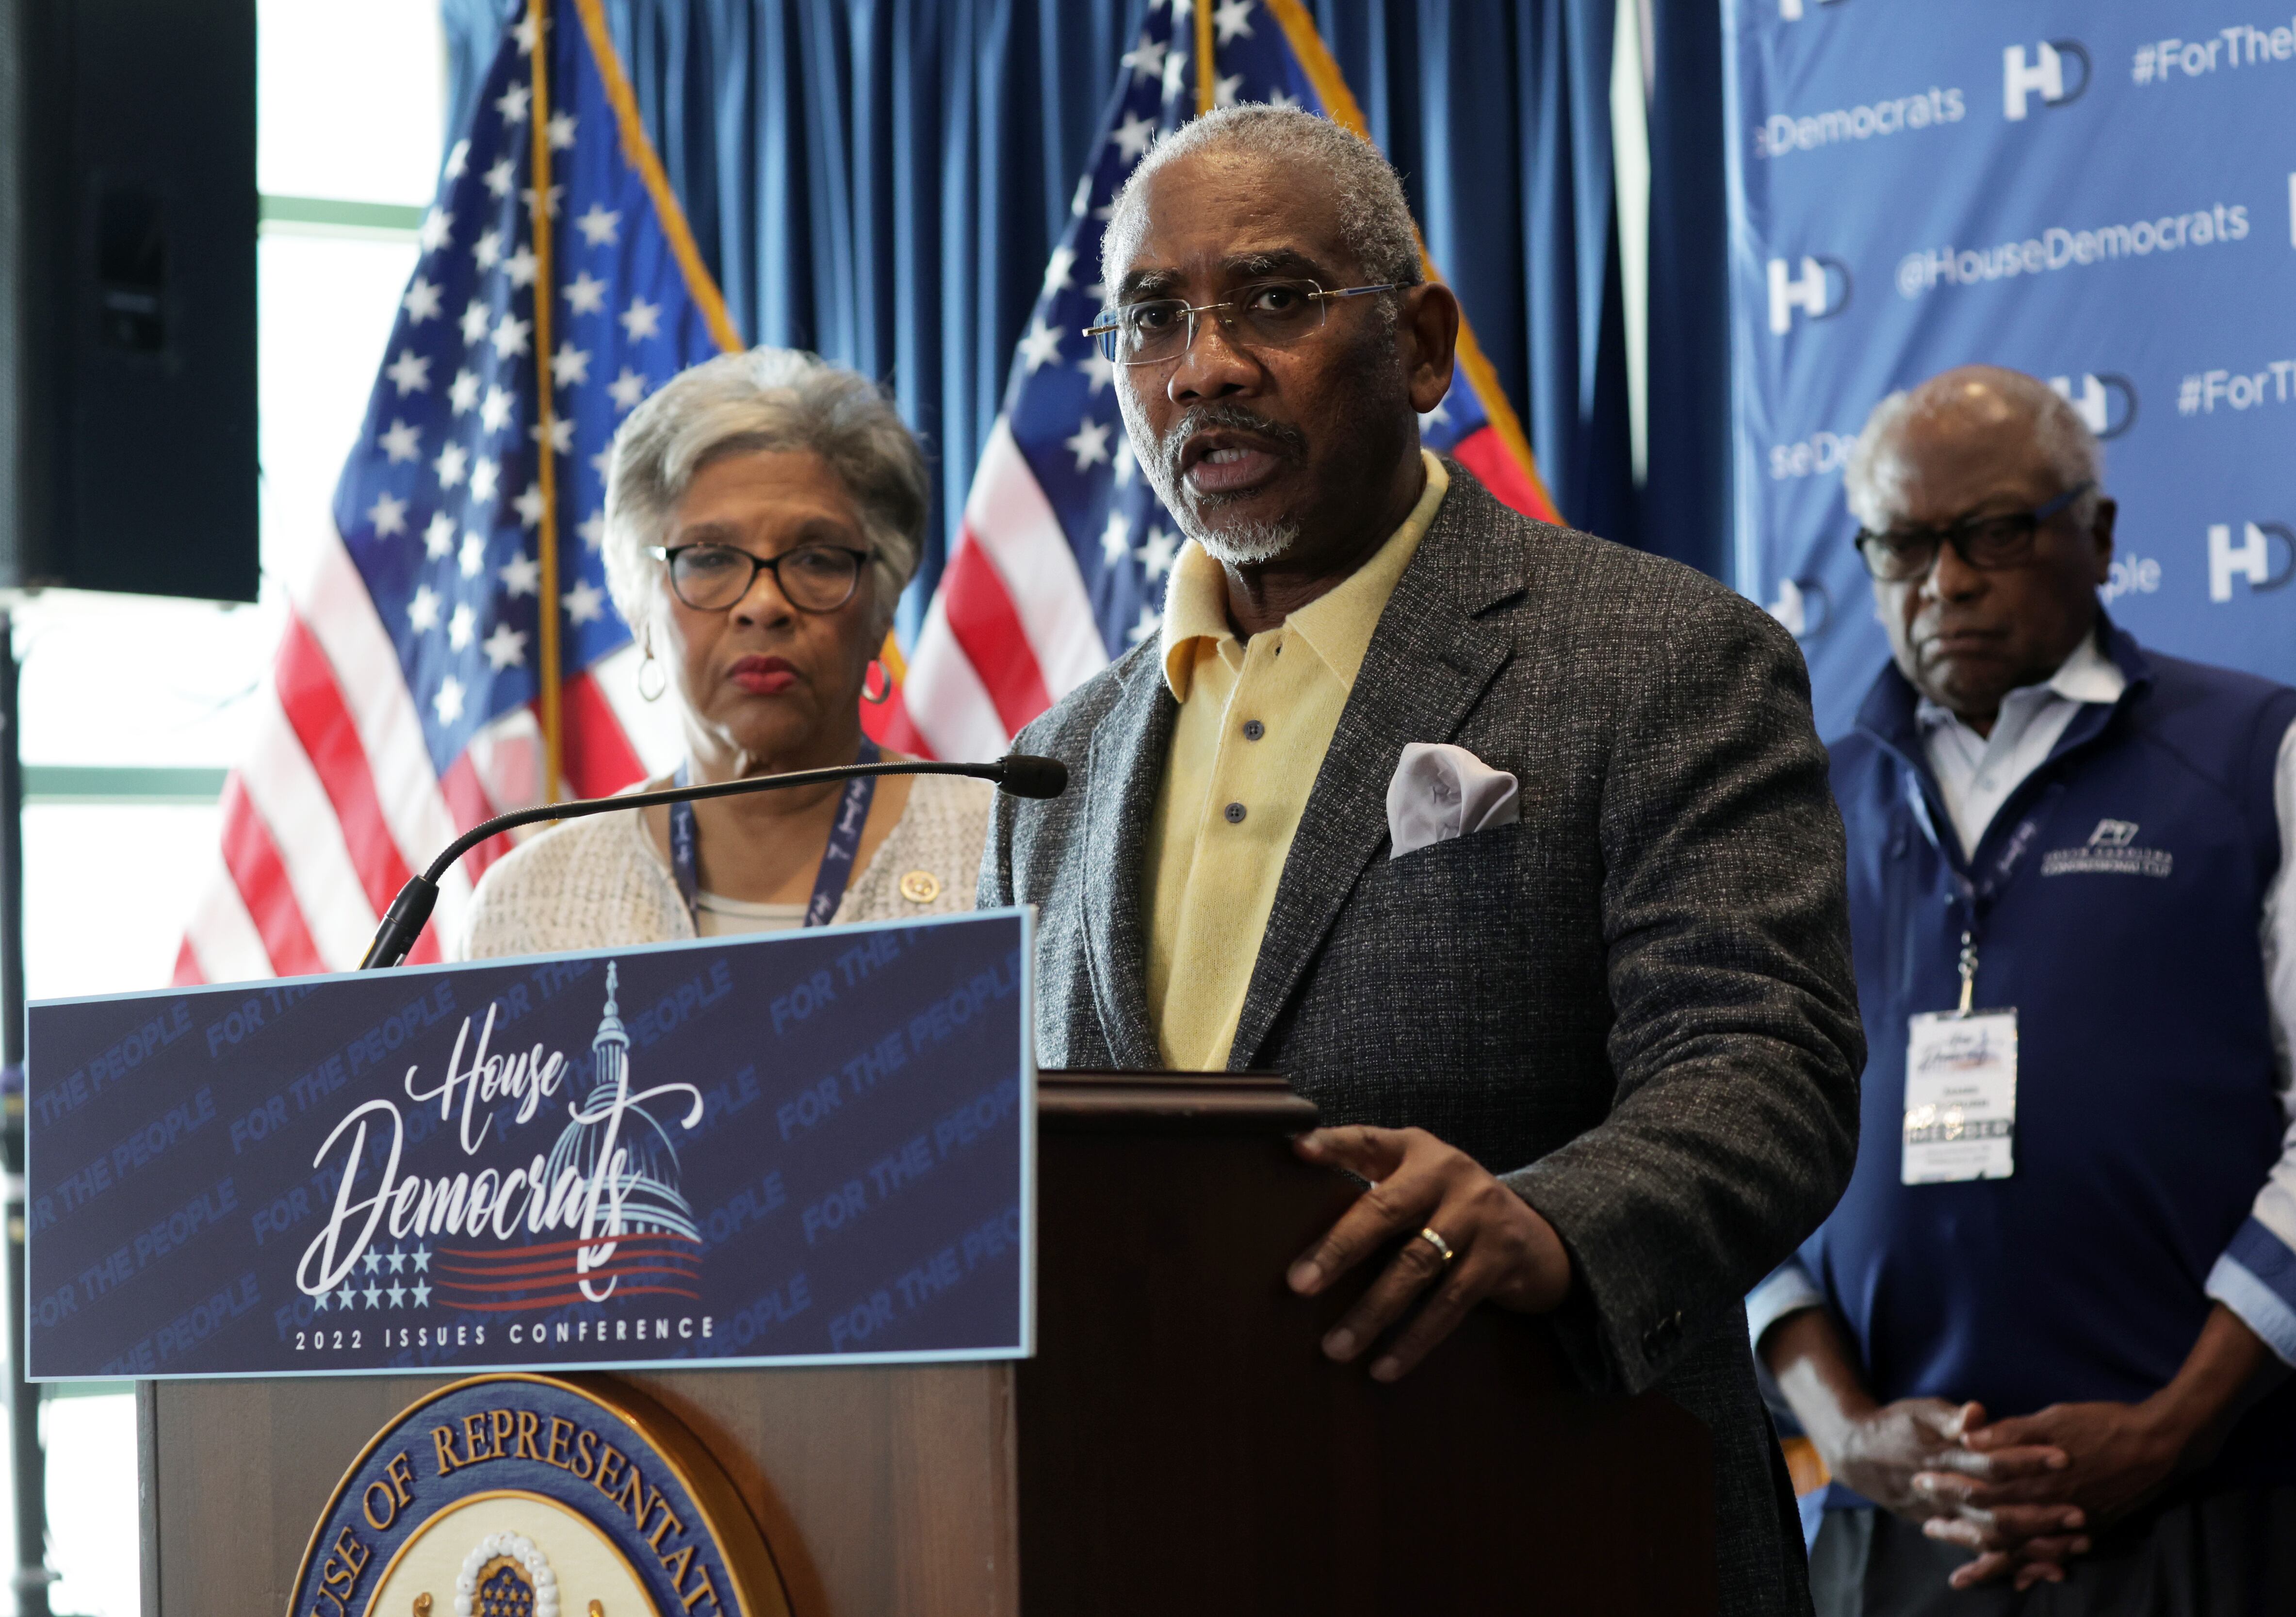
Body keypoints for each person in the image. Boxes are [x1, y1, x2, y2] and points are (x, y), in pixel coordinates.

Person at [981, 104, 1865, 1612]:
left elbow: (1760, 1064)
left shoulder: (1657, 654)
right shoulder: (1052, 758)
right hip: (1153, 1535)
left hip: (1554, 1516)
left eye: (1273, 299)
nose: (1204, 367)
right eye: (1150, 321)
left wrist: (1552, 1217)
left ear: (1422, 345)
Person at [1753, 366, 2296, 1613]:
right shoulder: (1808, 802)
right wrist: (1842, 1431)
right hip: (1894, 1516)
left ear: (2097, 535)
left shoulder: (2254, 751)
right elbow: (1735, 1155)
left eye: (1992, 533)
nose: (1943, 581)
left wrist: (2170, 1428)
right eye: (1899, 546)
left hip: (2209, 1502)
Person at [464, 349, 991, 957]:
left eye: (815, 559)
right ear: (641, 614)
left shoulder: (1003, 858)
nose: (763, 604)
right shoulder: (534, 902)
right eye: (710, 559)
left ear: (882, 606)